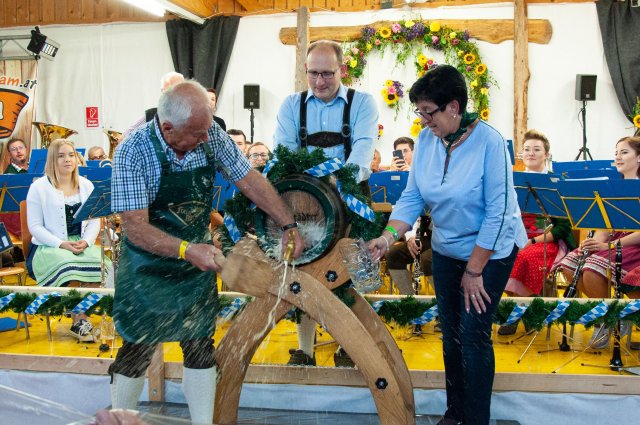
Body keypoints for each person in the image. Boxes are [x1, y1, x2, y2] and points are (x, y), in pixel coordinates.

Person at [108, 80, 304, 424]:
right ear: (168, 128)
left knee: (199, 345)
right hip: (145, 266)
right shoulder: (132, 150)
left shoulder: (208, 132)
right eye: (197, 134)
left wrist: (288, 224)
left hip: (196, 263)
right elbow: (135, 228)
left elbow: (250, 180)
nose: (205, 139)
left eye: (206, 131)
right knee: (137, 348)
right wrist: (187, 249)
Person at [368, 65, 526, 425]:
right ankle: (455, 413)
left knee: (473, 334)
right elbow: (412, 196)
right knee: (450, 333)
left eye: (429, 111)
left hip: (492, 250)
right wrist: (387, 236)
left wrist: (475, 270)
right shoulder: (426, 141)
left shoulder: (489, 142)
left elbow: (498, 213)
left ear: (454, 107)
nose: (423, 120)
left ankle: (476, 419)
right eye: (419, 112)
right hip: (447, 247)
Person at [274, 39, 378, 367]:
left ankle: (350, 345)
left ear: (342, 70)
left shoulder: (362, 103)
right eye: (313, 74)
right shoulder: (291, 106)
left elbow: (362, 148)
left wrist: (339, 182)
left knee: (353, 270)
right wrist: (312, 189)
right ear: (305, 71)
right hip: (306, 201)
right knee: (304, 271)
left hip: (350, 196)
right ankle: (305, 350)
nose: (319, 82)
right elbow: (283, 151)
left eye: (327, 74)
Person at [553, 136, 640, 348]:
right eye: (616, 152)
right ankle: (611, 316)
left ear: (639, 158)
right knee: (571, 263)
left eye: (625, 152)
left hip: (634, 245)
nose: (618, 156)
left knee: (592, 268)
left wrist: (607, 246)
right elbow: (604, 225)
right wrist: (592, 243)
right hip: (613, 242)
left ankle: (609, 319)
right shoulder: (613, 186)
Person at [26, 139, 113, 342]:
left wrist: (87, 242)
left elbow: (93, 220)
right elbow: (35, 228)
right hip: (49, 246)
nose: (68, 160)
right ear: (52, 160)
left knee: (104, 266)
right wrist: (62, 244)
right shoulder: (38, 187)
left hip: (80, 243)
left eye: (71, 155)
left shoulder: (86, 185)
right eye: (61, 156)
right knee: (68, 265)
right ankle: (78, 318)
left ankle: (83, 312)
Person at [501, 131, 576, 307]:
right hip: (517, 238)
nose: (531, 153)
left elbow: (563, 228)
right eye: (526, 149)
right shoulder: (512, 180)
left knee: (523, 258)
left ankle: (519, 310)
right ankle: (522, 308)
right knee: (497, 257)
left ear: (546, 155)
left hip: (548, 241)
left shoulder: (556, 182)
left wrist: (533, 241)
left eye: (536, 149)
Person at [121, 71, 185, 140]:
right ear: (162, 92)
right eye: (169, 91)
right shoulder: (150, 115)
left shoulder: (194, 116)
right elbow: (124, 138)